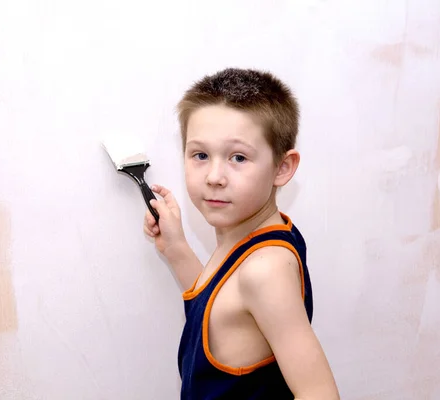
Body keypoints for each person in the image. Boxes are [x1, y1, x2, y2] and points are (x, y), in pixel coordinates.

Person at [143, 67, 339, 399]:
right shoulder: (250, 237)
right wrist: (177, 251)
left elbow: (319, 393)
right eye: (201, 155)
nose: (215, 176)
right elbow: (219, 308)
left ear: (282, 167)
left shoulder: (265, 271)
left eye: (238, 157)